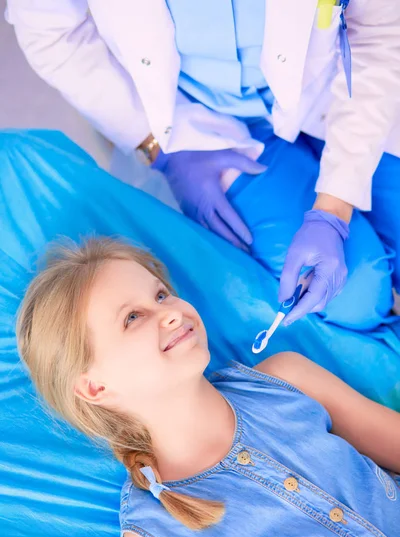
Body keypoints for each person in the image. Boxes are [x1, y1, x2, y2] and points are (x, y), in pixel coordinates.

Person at [17, 236, 400, 537]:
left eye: (162, 294)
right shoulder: (153, 530)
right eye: (133, 317)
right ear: (95, 388)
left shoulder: (287, 378)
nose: (168, 313)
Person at [6, 1, 400, 324]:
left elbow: (378, 34)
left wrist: (333, 209)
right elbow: (51, 32)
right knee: (358, 296)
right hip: (206, 127)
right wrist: (157, 145)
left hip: (343, 83)